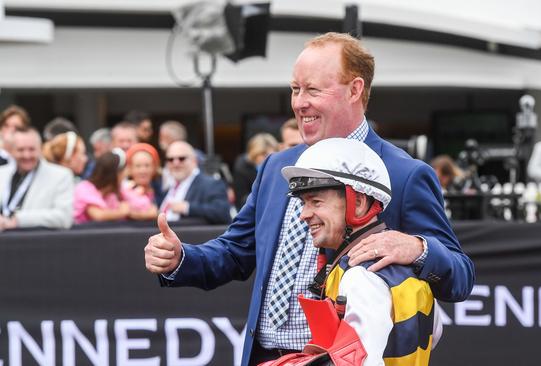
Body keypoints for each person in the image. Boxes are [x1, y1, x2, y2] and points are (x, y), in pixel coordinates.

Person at [144, 32, 474, 366]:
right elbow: (235, 252)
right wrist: (180, 258)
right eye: (295, 89)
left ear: (355, 90)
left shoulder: (405, 173)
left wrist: (418, 249)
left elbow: (460, 278)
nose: (300, 102)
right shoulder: (276, 167)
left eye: (313, 89)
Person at [266, 138, 441, 365]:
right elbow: (432, 336)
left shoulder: (361, 277)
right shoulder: (410, 268)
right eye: (303, 204)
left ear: (358, 202)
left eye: (316, 202)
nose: (304, 214)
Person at [0, 127, 74, 230]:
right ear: (11, 151)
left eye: (32, 149)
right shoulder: (2, 173)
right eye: (20, 150)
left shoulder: (61, 176)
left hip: (37, 243)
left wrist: (18, 220)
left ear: (40, 149)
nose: (27, 155)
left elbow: (64, 218)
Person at [158, 141, 232, 224]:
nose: (176, 163)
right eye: (170, 159)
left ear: (194, 161)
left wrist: (187, 208)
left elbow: (222, 212)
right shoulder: (166, 187)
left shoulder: (211, 184)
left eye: (181, 158)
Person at [73, 150, 131, 224]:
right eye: (123, 171)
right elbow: (97, 215)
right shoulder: (84, 187)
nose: (126, 174)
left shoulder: (113, 193)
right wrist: (121, 212)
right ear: (114, 174)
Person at [233, 133, 278, 209]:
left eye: (271, 155)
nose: (268, 158)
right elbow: (241, 200)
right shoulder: (242, 169)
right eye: (264, 154)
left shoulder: (278, 168)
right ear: (254, 153)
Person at [124, 143, 160, 221]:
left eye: (147, 165)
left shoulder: (161, 190)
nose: (143, 170)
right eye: (138, 166)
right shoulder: (123, 191)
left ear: (154, 168)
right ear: (130, 169)